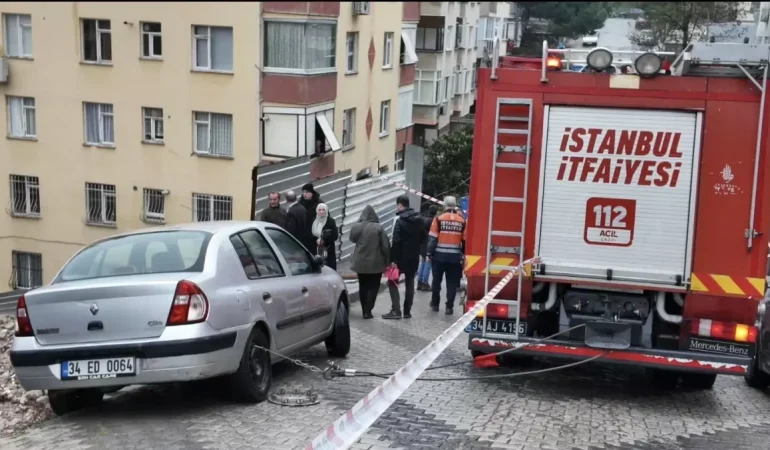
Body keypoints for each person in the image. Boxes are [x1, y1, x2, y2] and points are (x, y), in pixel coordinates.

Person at [382, 196, 426, 320]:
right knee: (410, 282)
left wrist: (393, 260)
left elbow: (395, 241)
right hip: (413, 257)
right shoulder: (420, 220)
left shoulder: (399, 219)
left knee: (392, 282)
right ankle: (407, 311)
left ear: (400, 206)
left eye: (398, 206)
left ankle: (396, 310)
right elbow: (423, 239)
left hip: (400, 257)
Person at [427, 196, 467, 315]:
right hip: (454, 258)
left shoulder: (438, 219)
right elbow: (465, 240)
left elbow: (433, 239)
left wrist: (429, 253)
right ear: (454, 205)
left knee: (436, 281)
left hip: (439, 256)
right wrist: (463, 254)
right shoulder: (462, 221)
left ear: (445, 205)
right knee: (451, 283)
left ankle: (435, 304)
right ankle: (449, 307)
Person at [349, 205, 390, 319]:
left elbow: (352, 239)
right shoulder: (379, 227)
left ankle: (364, 310)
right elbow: (385, 246)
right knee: (374, 286)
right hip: (376, 263)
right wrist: (387, 261)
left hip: (360, 262)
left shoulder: (357, 226)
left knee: (363, 285)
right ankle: (369, 309)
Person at [417, 205, 438, 292]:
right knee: (428, 264)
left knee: (422, 263)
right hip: (429, 245)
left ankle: (419, 282)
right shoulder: (434, 221)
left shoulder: (423, 220)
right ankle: (425, 283)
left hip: (422, 245)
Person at [312, 203, 338, 270]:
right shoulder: (314, 220)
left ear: (326, 211)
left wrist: (325, 241)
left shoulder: (330, 221)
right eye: (319, 210)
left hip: (328, 249)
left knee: (329, 267)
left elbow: (335, 235)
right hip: (315, 248)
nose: (321, 212)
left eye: (323, 210)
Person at [299, 183, 324, 251]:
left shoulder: (319, 204)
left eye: (307, 192)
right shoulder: (301, 203)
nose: (304, 194)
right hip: (303, 236)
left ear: (312, 193)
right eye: (303, 192)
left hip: (315, 237)